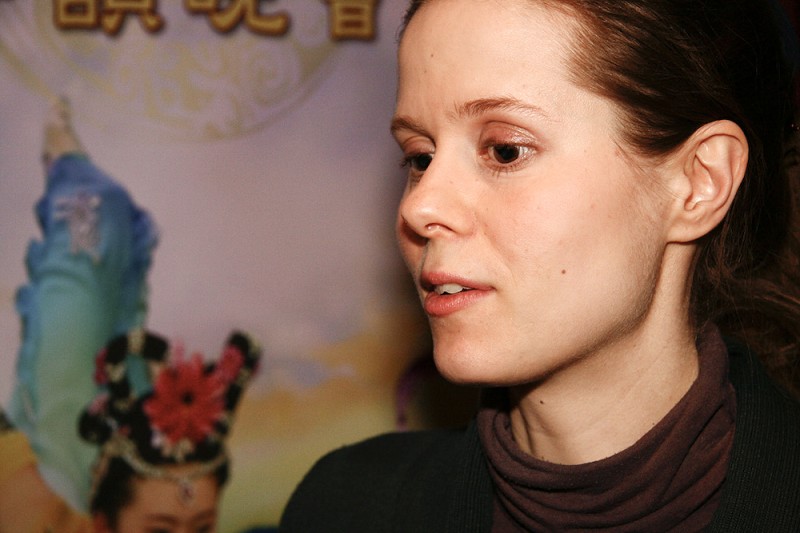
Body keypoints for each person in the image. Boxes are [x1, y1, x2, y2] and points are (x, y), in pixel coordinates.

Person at [280, 0, 800, 531]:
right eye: (420, 158)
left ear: (699, 183)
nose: (420, 206)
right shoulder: (345, 508)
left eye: (505, 151)